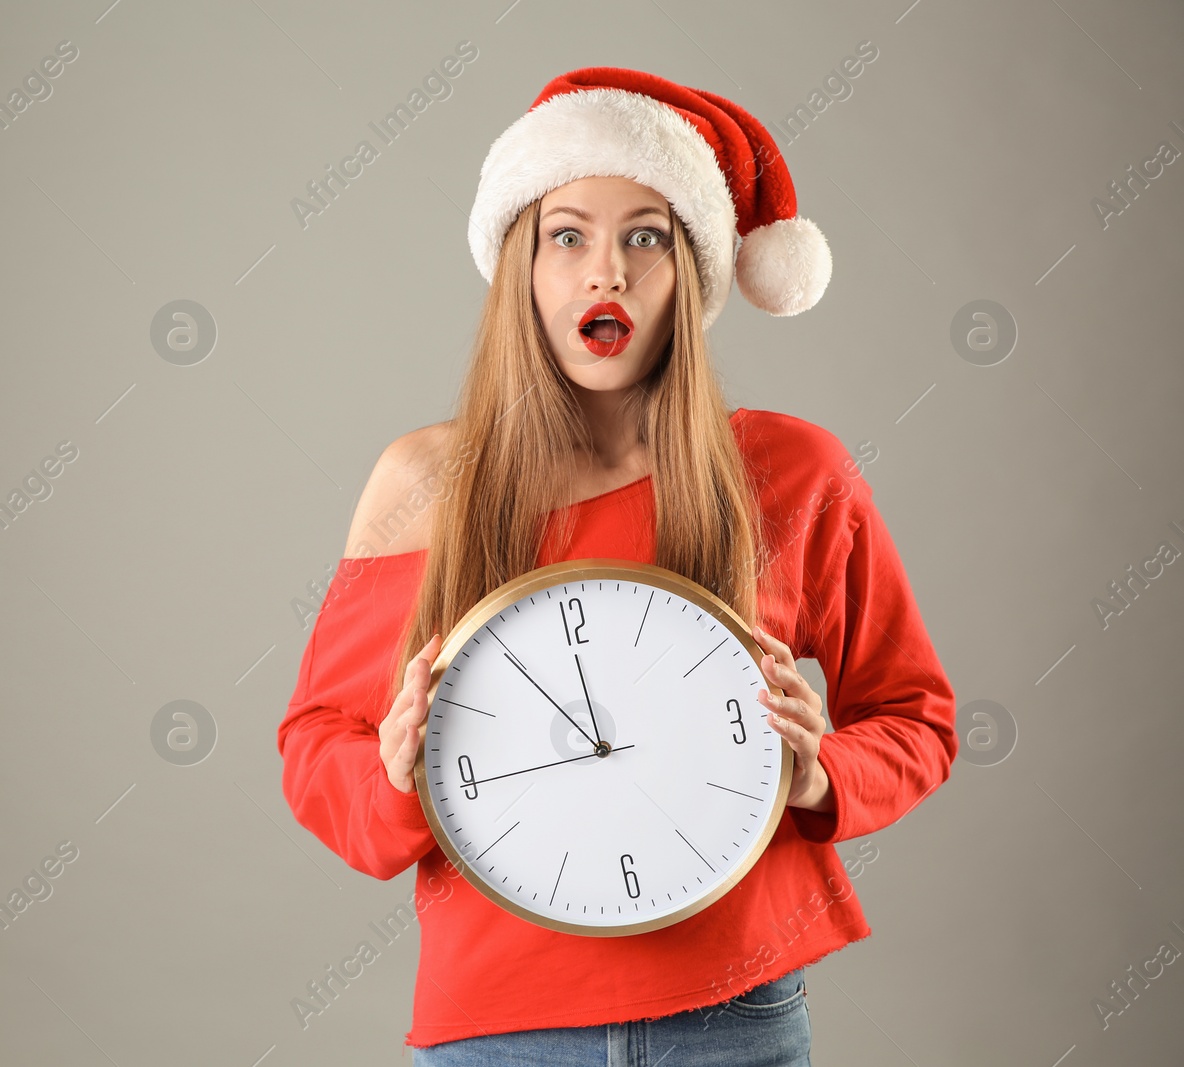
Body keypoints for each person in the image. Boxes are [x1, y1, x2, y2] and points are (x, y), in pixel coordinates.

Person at [276, 67, 957, 1066]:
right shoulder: (424, 481)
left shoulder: (793, 470)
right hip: (495, 1026)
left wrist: (823, 774)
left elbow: (916, 714)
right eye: (567, 235)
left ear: (693, 268)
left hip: (738, 1012)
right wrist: (388, 773)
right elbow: (313, 742)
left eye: (646, 234)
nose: (609, 272)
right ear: (523, 267)